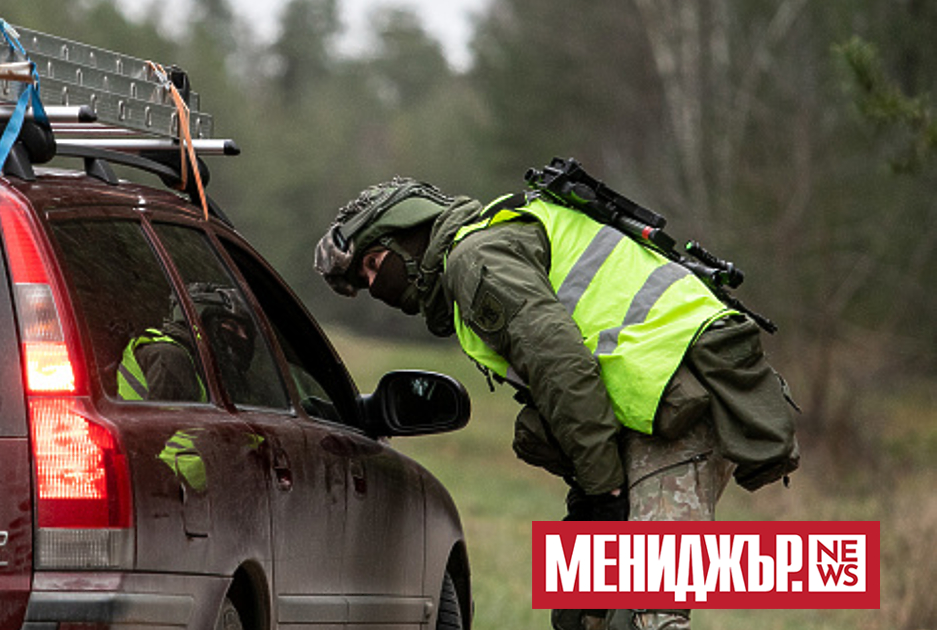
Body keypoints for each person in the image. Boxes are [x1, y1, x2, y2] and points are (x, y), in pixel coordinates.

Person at [314, 176, 800, 630]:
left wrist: (604, 490)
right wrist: (597, 490)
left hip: (680, 405)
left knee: (648, 611)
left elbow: (563, 371)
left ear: (410, 234)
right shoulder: (486, 248)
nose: (377, 286)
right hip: (649, 410)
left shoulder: (476, 260)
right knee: (584, 613)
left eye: (376, 265)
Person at [118, 282, 255, 403]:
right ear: (202, 323)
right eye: (231, 326)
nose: (243, 337)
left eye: (247, 331)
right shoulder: (171, 357)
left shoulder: (199, 364)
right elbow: (163, 428)